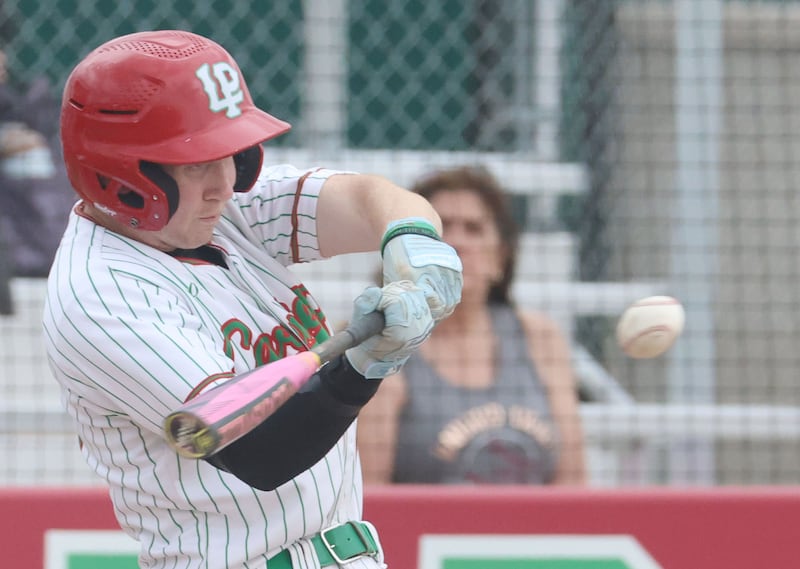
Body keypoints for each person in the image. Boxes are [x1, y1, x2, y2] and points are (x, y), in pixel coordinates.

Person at [42, 30, 462, 569]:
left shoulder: (218, 212)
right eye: (195, 162)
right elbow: (260, 451)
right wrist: (362, 365)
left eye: (229, 155)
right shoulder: (101, 293)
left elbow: (365, 199)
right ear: (121, 176)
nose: (224, 182)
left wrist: (410, 236)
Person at [357, 165, 587, 485]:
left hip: (533, 534)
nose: (456, 242)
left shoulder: (540, 338)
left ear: (500, 258)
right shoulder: (382, 344)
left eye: (474, 229)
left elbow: (573, 482)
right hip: (423, 534)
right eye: (441, 228)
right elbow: (370, 493)